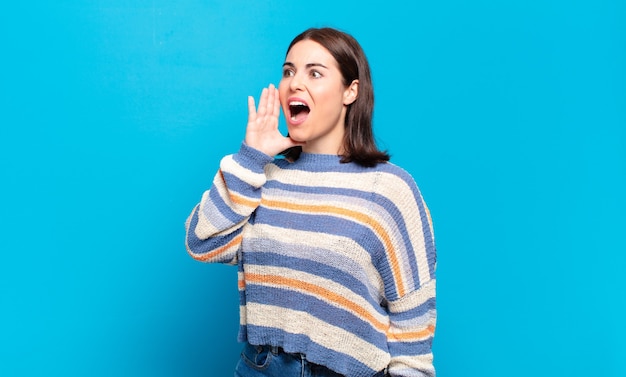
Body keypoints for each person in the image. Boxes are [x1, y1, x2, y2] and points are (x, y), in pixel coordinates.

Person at [185, 27, 436, 377]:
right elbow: (203, 242)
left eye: (314, 73)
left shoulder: (390, 189)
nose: (294, 83)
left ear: (351, 91)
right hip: (261, 367)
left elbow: (412, 324)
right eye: (288, 71)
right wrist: (250, 158)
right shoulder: (262, 177)